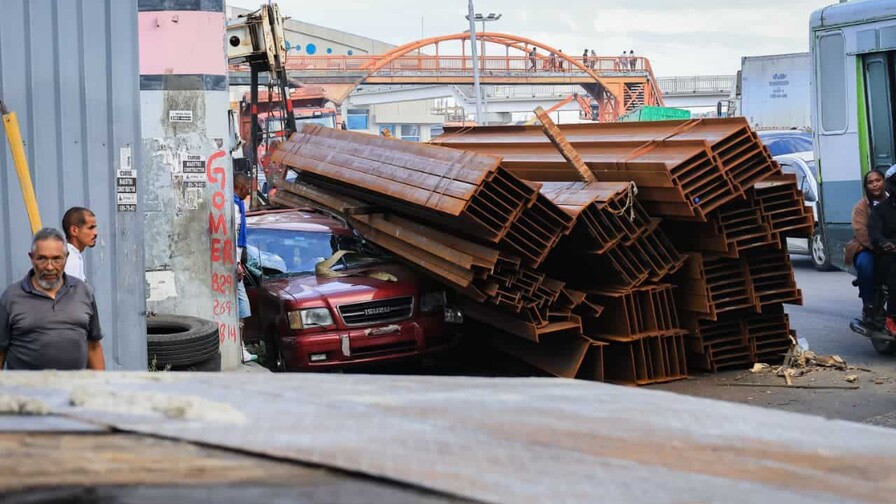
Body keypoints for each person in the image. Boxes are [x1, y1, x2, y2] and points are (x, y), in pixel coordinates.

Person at [0, 228, 105, 370]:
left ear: (66, 257)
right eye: (42, 258)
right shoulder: (11, 297)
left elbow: (93, 347)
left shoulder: (83, 292)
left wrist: (101, 388)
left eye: (56, 259)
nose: (50, 267)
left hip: (75, 390)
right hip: (25, 391)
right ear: (32, 258)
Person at [845, 169, 886, 320]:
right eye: (871, 182)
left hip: (891, 247)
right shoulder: (861, 207)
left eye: (878, 180)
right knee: (865, 264)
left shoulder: (891, 202)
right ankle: (868, 305)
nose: (875, 185)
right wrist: (880, 247)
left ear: (884, 182)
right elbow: (861, 231)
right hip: (868, 247)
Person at [868, 165, 896, 334]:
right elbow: (874, 233)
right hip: (889, 254)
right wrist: (885, 243)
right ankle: (893, 316)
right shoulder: (880, 210)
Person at [234, 173, 256, 363]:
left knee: (241, 307)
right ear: (240, 187)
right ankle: (239, 348)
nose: (249, 192)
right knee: (242, 307)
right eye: (247, 187)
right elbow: (232, 235)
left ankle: (240, 347)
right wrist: (235, 263)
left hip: (237, 262)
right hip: (234, 265)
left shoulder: (237, 205)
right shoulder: (233, 207)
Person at [62, 207, 98, 282]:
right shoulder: (70, 259)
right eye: (91, 228)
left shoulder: (73, 255)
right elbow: (69, 292)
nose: (95, 233)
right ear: (74, 230)